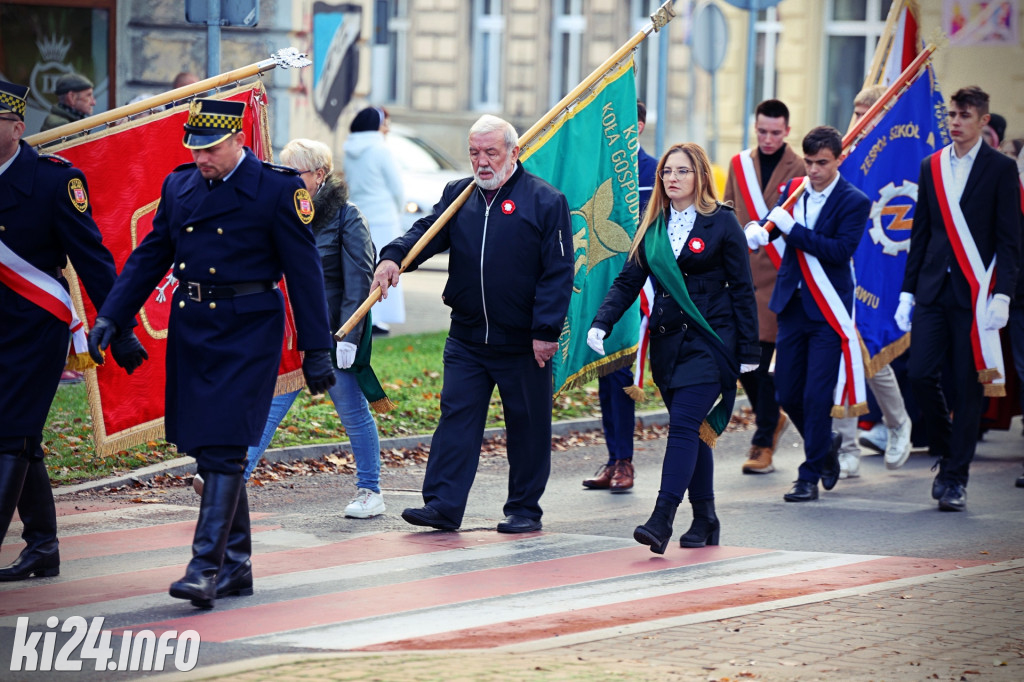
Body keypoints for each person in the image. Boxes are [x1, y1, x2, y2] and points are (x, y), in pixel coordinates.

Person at [87, 98, 337, 607]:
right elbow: (151, 255)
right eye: (195, 148)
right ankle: (238, 564)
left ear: (238, 139)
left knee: (225, 448)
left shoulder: (276, 189)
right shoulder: (179, 186)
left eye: (212, 148)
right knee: (208, 447)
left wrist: (317, 350)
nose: (202, 158)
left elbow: (305, 273)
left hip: (249, 330)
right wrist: (114, 315)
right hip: (193, 327)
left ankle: (204, 568)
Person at [372, 114, 573, 533]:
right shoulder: (458, 195)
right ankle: (443, 505)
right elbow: (426, 233)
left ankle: (524, 509)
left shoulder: (545, 200)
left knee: (528, 426)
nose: (481, 162)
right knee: (456, 420)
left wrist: (545, 331)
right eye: (474, 152)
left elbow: (558, 272)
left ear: (514, 152)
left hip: (523, 342)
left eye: (491, 152)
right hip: (466, 337)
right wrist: (393, 256)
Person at [0, 80, 147, 581]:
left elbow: (93, 260)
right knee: (23, 439)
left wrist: (119, 327)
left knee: (11, 432)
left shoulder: (53, 181)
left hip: (34, 327)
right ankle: (42, 546)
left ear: (18, 129)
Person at [589, 142, 759, 553]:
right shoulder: (654, 226)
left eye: (682, 171)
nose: (672, 178)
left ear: (700, 176)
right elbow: (627, 282)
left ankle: (662, 517)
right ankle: (706, 519)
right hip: (668, 348)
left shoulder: (721, 223)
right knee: (696, 432)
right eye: (667, 172)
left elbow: (742, 288)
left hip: (711, 342)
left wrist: (749, 349)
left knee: (683, 426)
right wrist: (601, 322)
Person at [235, 138, 387, 519]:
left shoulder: (346, 217)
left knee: (353, 413)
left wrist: (349, 336)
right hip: (288, 336)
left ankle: (370, 491)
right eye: (281, 171)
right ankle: (233, 483)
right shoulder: (282, 211)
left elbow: (359, 280)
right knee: (267, 409)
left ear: (319, 175)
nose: (286, 179)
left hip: (332, 334)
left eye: (294, 172)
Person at [896, 87, 1021, 511]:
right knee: (918, 375)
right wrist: (907, 291)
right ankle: (949, 449)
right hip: (933, 289)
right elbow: (921, 234)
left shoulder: (1001, 169)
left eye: (964, 115)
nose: (954, 121)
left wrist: (1003, 293)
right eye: (951, 114)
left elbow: (1009, 241)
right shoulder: (931, 165)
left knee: (969, 388)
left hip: (976, 295)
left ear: (982, 120)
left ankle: (955, 478)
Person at [745, 126, 871, 503]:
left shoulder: (854, 200)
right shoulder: (794, 188)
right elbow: (774, 221)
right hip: (793, 305)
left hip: (827, 309)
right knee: (785, 388)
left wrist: (793, 231)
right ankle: (824, 445)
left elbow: (838, 251)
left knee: (817, 395)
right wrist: (759, 231)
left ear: (838, 160)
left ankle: (809, 474)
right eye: (810, 162)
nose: (814, 170)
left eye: (822, 163)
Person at [835, 85, 914, 478]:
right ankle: (846, 446)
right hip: (840, 267)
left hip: (878, 268)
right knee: (843, 355)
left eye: (870, 113)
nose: (861, 120)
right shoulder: (842, 154)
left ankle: (899, 423)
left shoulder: (895, 158)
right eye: (857, 111)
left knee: (869, 350)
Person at [723, 99, 804, 475]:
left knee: (762, 357)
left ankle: (763, 439)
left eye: (775, 132)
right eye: (762, 131)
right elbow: (727, 210)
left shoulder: (801, 168)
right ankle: (772, 419)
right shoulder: (739, 164)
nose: (768, 138)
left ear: (787, 131)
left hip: (778, 276)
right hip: (740, 277)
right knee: (744, 362)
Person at [585, 100, 657, 493]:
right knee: (606, 375)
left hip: (643, 293)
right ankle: (612, 458)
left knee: (624, 377)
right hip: (607, 287)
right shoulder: (603, 173)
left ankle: (625, 462)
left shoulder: (656, 171)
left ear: (641, 126)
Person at [345, 106, 405, 335]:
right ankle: (379, 319)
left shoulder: (349, 148)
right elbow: (396, 187)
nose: (386, 128)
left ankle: (365, 315)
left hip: (359, 215)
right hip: (383, 216)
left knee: (363, 268)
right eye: (384, 123)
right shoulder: (381, 149)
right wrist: (397, 210)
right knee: (387, 267)